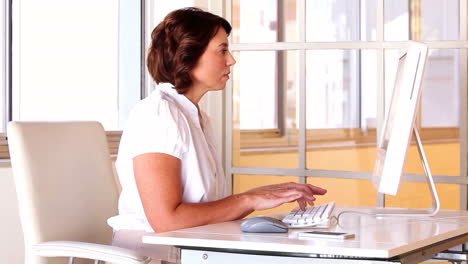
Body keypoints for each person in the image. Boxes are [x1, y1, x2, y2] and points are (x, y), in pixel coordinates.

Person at [107, 7, 327, 263]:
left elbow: (205, 212)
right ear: (188, 55)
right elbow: (166, 221)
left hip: (190, 249)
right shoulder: (158, 115)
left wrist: (263, 194)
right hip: (155, 256)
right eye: (222, 50)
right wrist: (248, 200)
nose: (231, 60)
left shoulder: (194, 116)